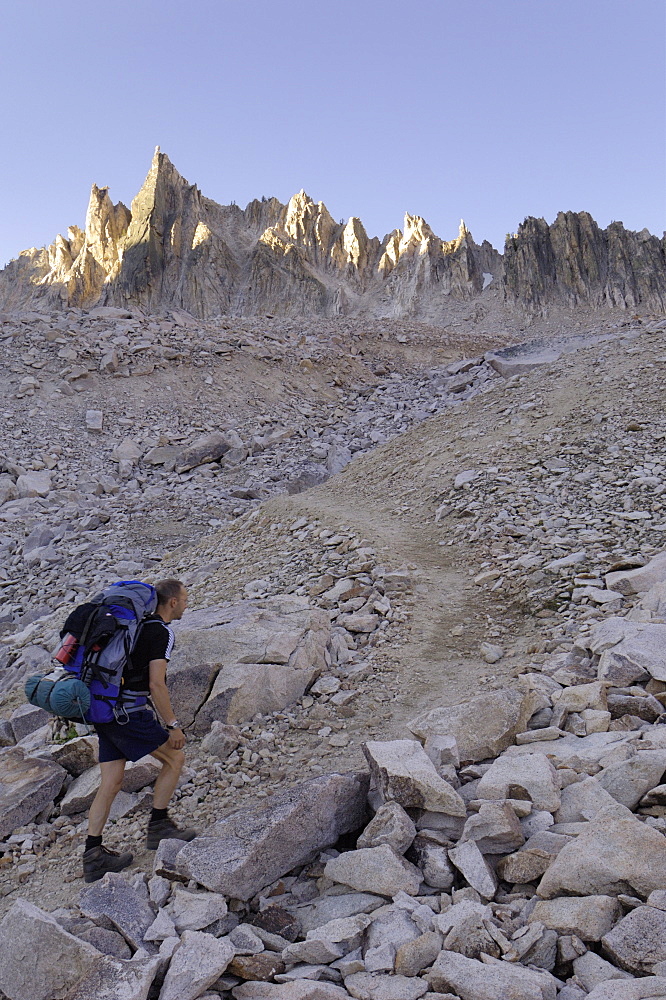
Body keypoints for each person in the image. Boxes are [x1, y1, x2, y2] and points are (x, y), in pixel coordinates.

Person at [82, 578, 197, 882]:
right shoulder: (160, 631)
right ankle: (159, 827)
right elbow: (156, 684)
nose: (187, 604)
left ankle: (92, 855)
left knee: (111, 782)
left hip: (105, 711)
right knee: (175, 759)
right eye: (185, 599)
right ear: (172, 602)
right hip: (129, 714)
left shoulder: (133, 628)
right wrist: (172, 725)